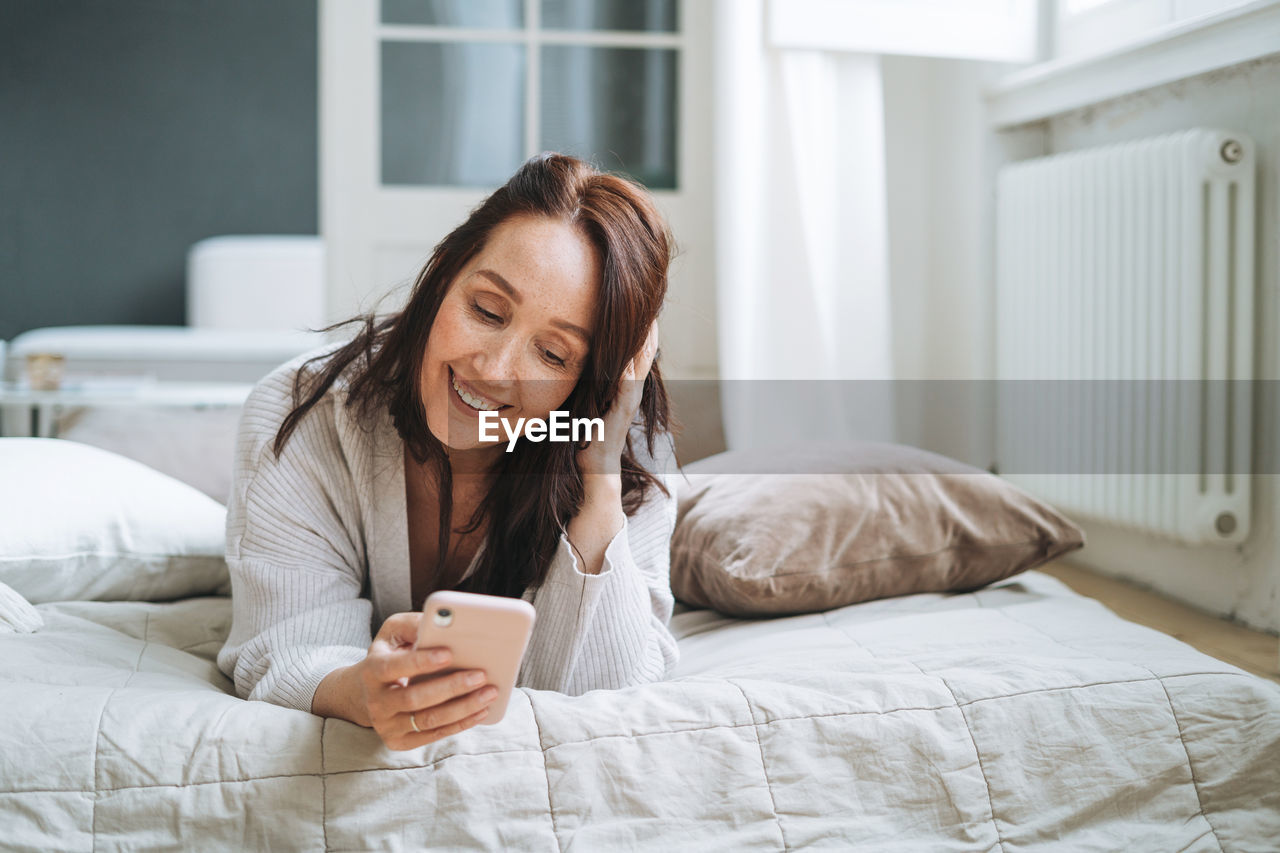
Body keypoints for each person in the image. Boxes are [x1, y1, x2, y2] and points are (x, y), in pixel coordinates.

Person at [216, 153, 680, 751]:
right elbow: (284, 645)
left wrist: (598, 483)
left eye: (554, 356)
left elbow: (609, 695)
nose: (493, 370)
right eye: (486, 311)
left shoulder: (626, 447)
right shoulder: (302, 412)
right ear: (443, 275)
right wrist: (364, 691)